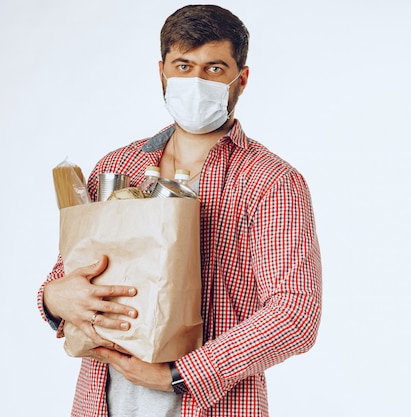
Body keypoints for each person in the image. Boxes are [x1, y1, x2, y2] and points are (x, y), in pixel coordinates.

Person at [37, 4, 322, 417]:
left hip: (213, 407)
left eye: (214, 69)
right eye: (183, 66)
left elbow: (295, 313)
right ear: (162, 73)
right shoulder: (115, 168)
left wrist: (180, 374)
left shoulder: (272, 181)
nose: (196, 81)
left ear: (240, 79)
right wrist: (51, 297)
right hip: (101, 403)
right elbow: (66, 275)